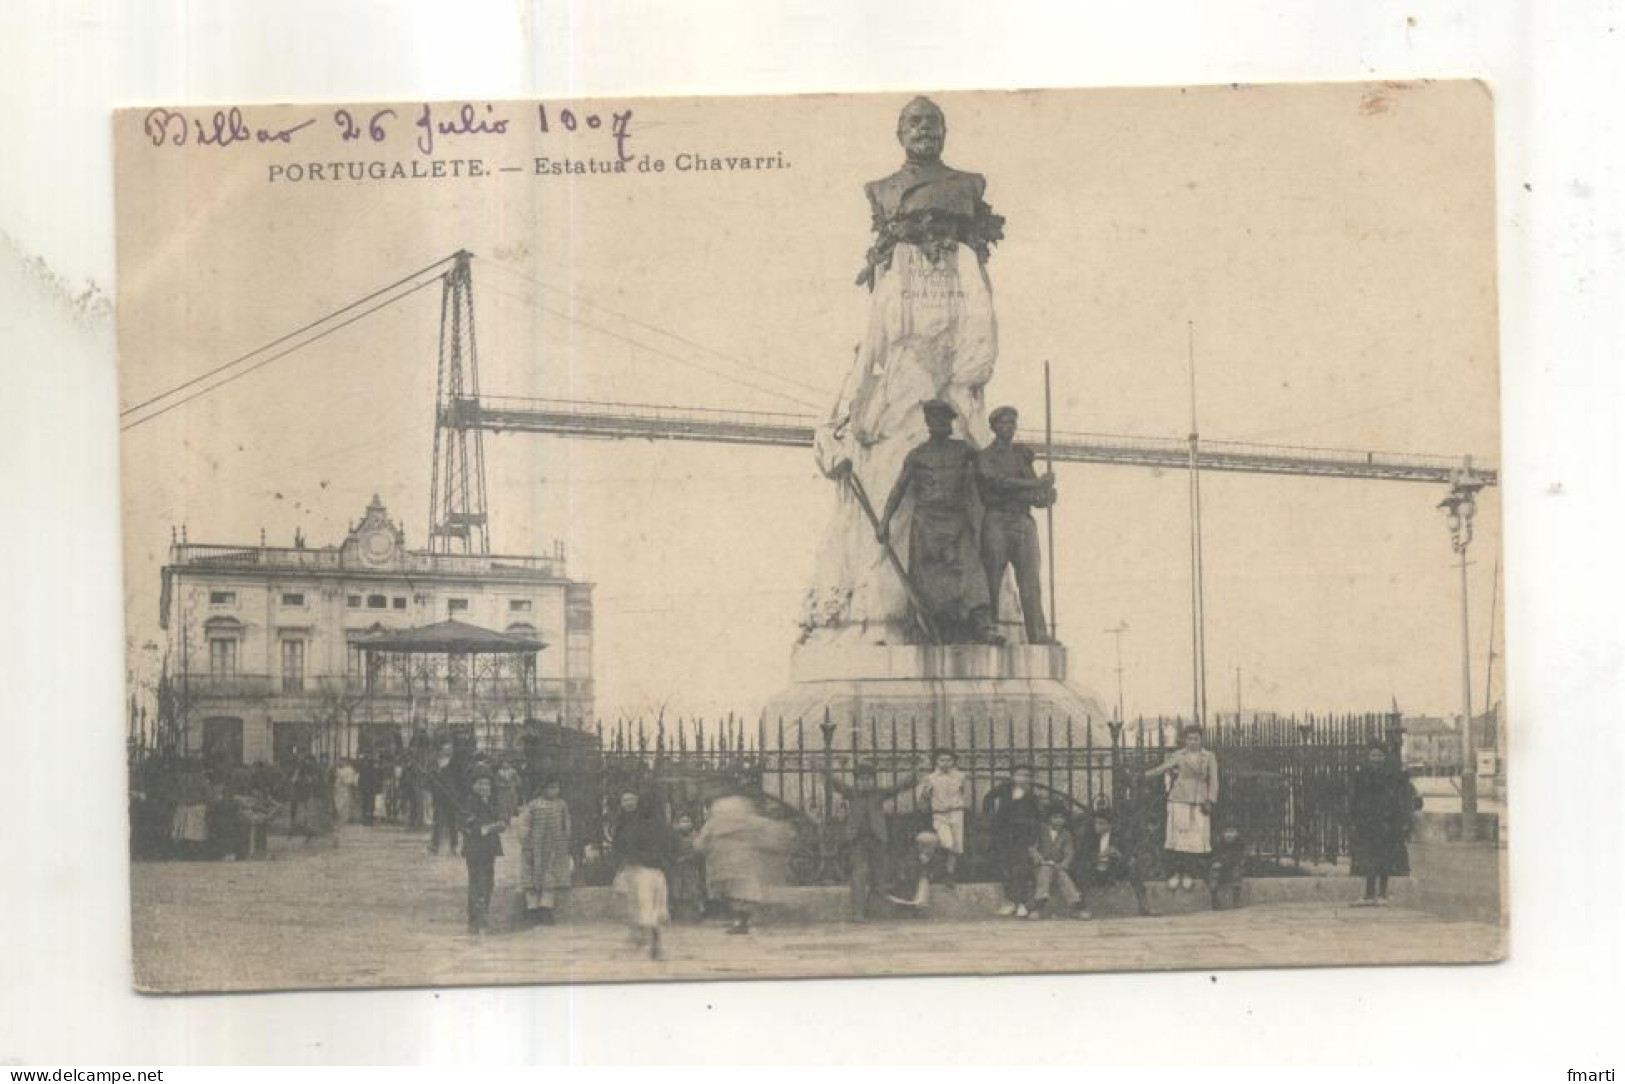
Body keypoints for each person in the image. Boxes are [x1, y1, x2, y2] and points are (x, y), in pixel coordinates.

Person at [803, 97, 1005, 650]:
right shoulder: (882, 189)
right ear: (899, 132)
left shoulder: (967, 185)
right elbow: (876, 339)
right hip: (900, 372)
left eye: (932, 122)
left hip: (951, 369)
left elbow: (979, 318)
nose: (923, 130)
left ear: (945, 129)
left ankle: (976, 613)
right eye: (913, 123)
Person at [875, 400, 992, 642]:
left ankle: (982, 625)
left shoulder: (964, 450)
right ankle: (926, 628)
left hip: (957, 521)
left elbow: (989, 473)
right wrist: (884, 521)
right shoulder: (917, 455)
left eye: (945, 420)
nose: (941, 424)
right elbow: (898, 489)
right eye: (935, 419)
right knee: (926, 577)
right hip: (927, 522)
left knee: (971, 570)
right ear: (928, 423)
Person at [975, 405, 1057, 644]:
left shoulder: (1022, 457)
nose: (1007, 427)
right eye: (1002, 423)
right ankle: (989, 629)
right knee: (992, 578)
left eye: (1011, 423)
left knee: (1031, 580)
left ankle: (1038, 634)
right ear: (993, 427)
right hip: (997, 521)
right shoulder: (985, 457)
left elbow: (1033, 493)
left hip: (1023, 521)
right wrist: (1034, 486)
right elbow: (997, 484)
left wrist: (1046, 496)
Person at [825, 762, 920, 922]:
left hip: (877, 840)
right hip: (857, 841)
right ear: (856, 781)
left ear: (874, 781)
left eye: (869, 779)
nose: (865, 782)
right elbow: (836, 783)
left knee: (879, 876)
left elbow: (898, 787)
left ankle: (875, 912)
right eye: (861, 779)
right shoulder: (851, 793)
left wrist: (913, 774)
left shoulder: (879, 794)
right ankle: (858, 913)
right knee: (859, 874)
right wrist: (825, 770)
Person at [694, 791, 795, 934]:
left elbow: (699, 845)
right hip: (747, 866)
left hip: (722, 866)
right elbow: (770, 836)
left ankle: (736, 920)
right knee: (744, 893)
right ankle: (742, 920)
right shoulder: (751, 821)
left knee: (730, 893)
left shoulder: (714, 824)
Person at [1145, 725, 1220, 890]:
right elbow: (1162, 768)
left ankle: (1188, 874)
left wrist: (1210, 800)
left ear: (1201, 739)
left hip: (1200, 801)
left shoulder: (1209, 756)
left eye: (1196, 738)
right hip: (1179, 800)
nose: (1193, 742)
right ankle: (1175, 874)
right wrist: (1144, 774)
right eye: (1189, 738)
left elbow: (1213, 781)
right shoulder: (1179, 755)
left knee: (1194, 841)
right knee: (1178, 839)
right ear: (1185, 740)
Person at [1348, 741, 1421, 907]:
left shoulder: (1392, 776)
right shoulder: (1361, 776)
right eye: (1373, 756)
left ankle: (1382, 894)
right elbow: (1355, 800)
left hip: (1387, 825)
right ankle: (1368, 894)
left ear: (1384, 758)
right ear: (1368, 757)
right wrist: (1356, 819)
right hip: (1367, 824)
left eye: (1379, 756)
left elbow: (1401, 799)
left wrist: (1400, 822)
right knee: (1368, 860)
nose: (1376, 759)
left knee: (1385, 860)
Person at [610, 792, 671, 960]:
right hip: (640, 868)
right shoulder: (623, 823)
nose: (629, 803)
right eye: (625, 800)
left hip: (643, 868)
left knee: (645, 903)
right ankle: (642, 934)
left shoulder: (643, 824)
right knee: (640, 903)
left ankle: (652, 940)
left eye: (632, 800)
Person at [981, 764, 1043, 916]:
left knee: (1020, 869)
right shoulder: (1004, 790)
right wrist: (991, 817)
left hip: (1022, 838)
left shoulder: (1032, 797)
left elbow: (1037, 818)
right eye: (1019, 775)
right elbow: (988, 799)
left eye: (1026, 775)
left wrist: (1032, 839)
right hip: (1003, 835)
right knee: (1004, 868)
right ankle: (1010, 902)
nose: (1022, 778)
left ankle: (1021, 903)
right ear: (1012, 776)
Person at [1075, 805, 1152, 918]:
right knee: (1083, 869)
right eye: (1096, 823)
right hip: (1095, 871)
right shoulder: (1089, 836)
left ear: (1110, 826)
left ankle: (1143, 903)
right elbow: (1082, 856)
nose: (1097, 826)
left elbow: (1128, 854)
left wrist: (1118, 855)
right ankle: (1083, 907)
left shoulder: (1118, 837)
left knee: (1132, 864)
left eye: (1102, 823)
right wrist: (1100, 855)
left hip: (1112, 872)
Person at [518, 776, 573, 925]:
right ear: (543, 788)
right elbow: (524, 825)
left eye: (556, 787)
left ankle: (546, 908)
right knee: (531, 877)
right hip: (534, 846)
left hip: (554, 846)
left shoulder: (561, 804)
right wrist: (526, 841)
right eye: (550, 787)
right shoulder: (534, 805)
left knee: (550, 877)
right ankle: (532, 909)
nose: (554, 791)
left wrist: (565, 838)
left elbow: (566, 822)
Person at [460, 770, 506, 935]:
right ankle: (474, 919)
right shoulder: (470, 803)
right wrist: (493, 827)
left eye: (487, 784)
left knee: (488, 881)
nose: (485, 787)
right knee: (476, 882)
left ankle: (483, 914)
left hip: (489, 849)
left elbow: (502, 818)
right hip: (475, 849)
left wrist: (500, 823)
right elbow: (469, 828)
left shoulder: (492, 802)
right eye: (480, 784)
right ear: (473, 786)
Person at [916, 748, 969, 886]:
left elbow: (962, 793)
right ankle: (927, 859)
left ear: (953, 762)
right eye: (942, 760)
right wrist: (926, 793)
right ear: (937, 762)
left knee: (956, 846)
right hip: (940, 814)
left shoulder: (960, 777)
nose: (945, 763)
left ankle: (949, 874)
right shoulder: (930, 778)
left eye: (949, 760)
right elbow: (923, 799)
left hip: (957, 813)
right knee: (947, 842)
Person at [1028, 806, 1086, 919]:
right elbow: (1032, 848)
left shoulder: (1066, 834)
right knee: (1045, 870)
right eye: (1055, 817)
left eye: (1061, 818)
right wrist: (1040, 860)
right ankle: (1038, 907)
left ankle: (1076, 907)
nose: (1059, 820)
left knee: (1062, 875)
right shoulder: (1041, 830)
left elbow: (1069, 853)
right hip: (1040, 866)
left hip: (1057, 866)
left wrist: (1062, 865)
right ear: (1049, 818)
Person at [883, 829, 946, 915]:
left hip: (926, 879)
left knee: (923, 880)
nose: (930, 849)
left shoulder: (937, 858)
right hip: (912, 880)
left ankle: (919, 904)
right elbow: (907, 870)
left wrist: (928, 874)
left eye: (931, 846)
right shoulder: (911, 857)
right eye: (924, 846)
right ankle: (911, 904)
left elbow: (938, 871)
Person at [668, 811, 707, 923]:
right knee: (676, 890)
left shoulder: (696, 836)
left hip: (692, 868)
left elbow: (700, 852)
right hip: (677, 869)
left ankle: (697, 915)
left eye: (687, 821)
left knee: (693, 890)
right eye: (682, 821)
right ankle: (676, 915)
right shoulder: (674, 837)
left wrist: (689, 858)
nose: (685, 824)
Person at [428, 742, 461, 855]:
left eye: (451, 749)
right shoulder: (435, 764)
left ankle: (453, 845)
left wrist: (456, 793)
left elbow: (459, 779)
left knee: (452, 822)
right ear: (442, 750)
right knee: (438, 822)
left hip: (451, 797)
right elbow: (430, 781)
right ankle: (434, 845)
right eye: (446, 749)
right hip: (439, 797)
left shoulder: (455, 763)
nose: (449, 751)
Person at [1208, 822, 1247, 911]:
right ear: (1222, 833)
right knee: (1214, 872)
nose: (1229, 835)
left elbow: (1240, 857)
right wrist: (1217, 863)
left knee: (1237, 871)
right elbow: (1215, 856)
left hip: (1233, 866)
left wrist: (1229, 862)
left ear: (1237, 833)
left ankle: (1236, 900)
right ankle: (1215, 900)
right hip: (1221, 868)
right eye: (1227, 832)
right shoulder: (1218, 843)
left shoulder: (1239, 844)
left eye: (1232, 831)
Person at [493, 759, 522, 823]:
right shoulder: (499, 772)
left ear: (510, 764)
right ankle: (505, 819)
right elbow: (496, 782)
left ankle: (509, 818)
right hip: (502, 791)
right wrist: (501, 785)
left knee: (511, 805)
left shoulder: (513, 772)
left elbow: (519, 781)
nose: (505, 765)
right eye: (504, 763)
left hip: (511, 791)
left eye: (507, 763)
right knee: (502, 805)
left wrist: (513, 784)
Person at [333, 758, 359, 824]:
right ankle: (341, 816)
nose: (340, 762)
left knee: (346, 803)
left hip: (346, 788)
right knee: (338, 802)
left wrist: (344, 781)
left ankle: (346, 817)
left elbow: (351, 779)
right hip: (338, 789)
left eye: (342, 761)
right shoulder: (338, 769)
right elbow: (336, 779)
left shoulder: (349, 770)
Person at [356, 754, 379, 827]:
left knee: (368, 805)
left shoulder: (368, 770)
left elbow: (375, 781)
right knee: (367, 805)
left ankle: (367, 820)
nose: (366, 763)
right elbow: (360, 780)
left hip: (369, 790)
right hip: (368, 790)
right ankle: (367, 820)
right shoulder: (370, 770)